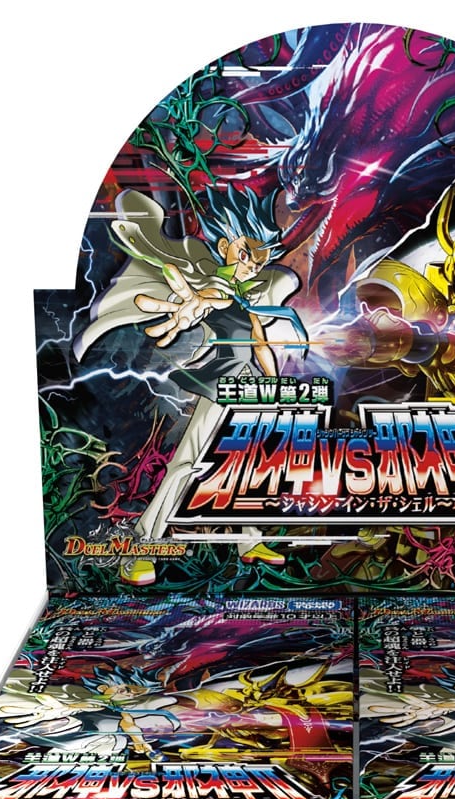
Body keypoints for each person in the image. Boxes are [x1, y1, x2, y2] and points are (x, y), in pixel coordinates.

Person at [74, 186, 306, 582]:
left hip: (248, 386)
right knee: (189, 463)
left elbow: (259, 343)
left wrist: (275, 386)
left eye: (261, 257)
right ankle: (142, 546)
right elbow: (207, 298)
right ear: (225, 247)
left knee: (244, 463)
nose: (253, 264)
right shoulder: (217, 286)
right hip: (222, 386)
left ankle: (249, 541)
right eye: (246, 252)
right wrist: (191, 307)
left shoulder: (246, 298)